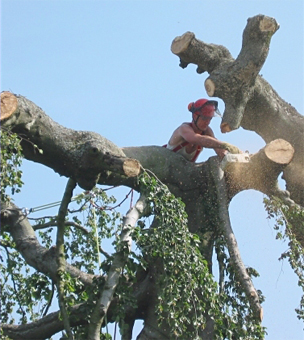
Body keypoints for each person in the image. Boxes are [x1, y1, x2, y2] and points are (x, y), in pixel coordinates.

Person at [164, 98, 242, 162]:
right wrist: (226, 145)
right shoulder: (184, 129)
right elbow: (197, 139)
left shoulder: (207, 132)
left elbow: (218, 148)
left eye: (209, 118)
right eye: (204, 118)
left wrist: (232, 155)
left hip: (184, 173)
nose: (207, 122)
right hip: (166, 168)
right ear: (195, 116)